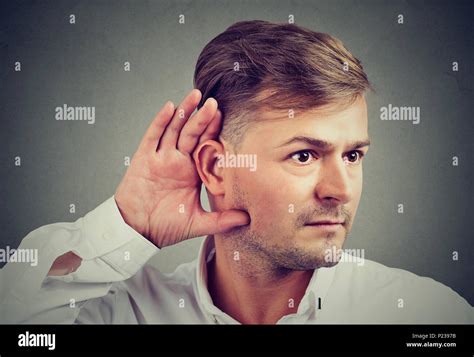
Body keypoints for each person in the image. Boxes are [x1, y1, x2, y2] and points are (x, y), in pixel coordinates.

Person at [1, 20, 472, 324]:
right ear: (215, 167)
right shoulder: (122, 314)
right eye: (304, 155)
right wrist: (126, 224)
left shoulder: (424, 317)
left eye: (352, 156)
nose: (340, 191)